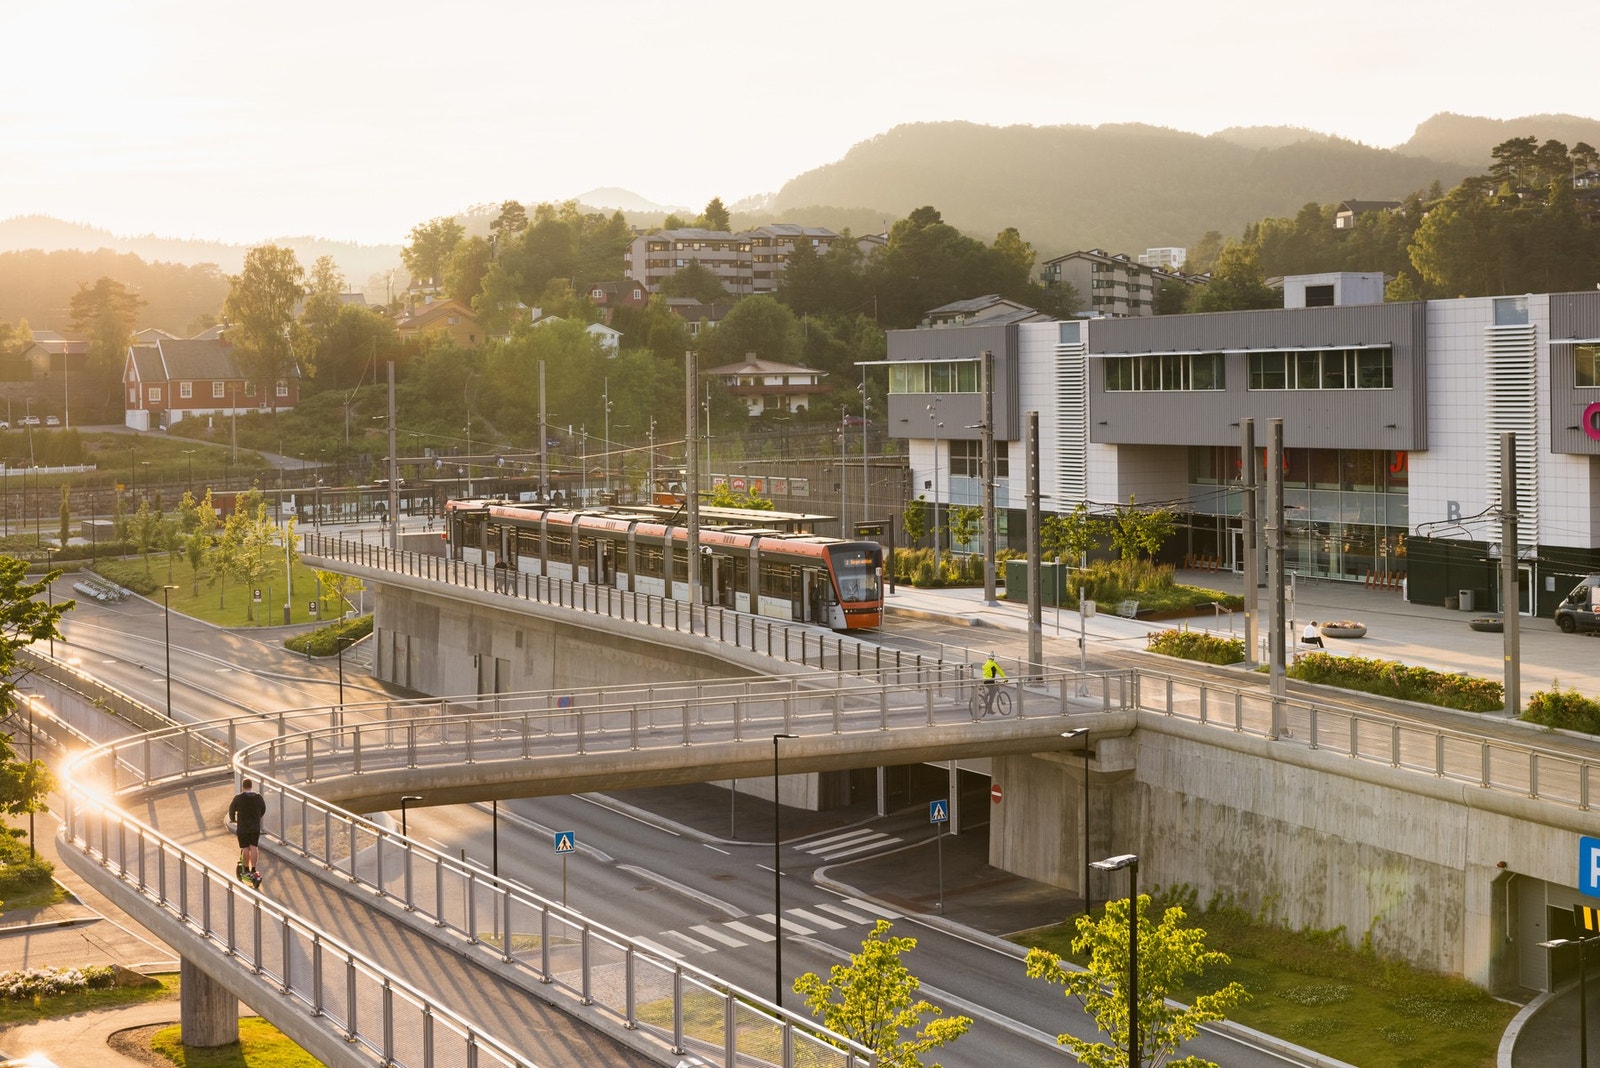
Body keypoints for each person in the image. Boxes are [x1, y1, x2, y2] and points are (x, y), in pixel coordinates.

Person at [227, 777, 267, 877]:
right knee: (254, 847)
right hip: (255, 827)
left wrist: (233, 819)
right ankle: (253, 869)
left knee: (245, 848)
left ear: (242, 787)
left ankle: (246, 869)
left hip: (243, 827)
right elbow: (263, 809)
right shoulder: (258, 797)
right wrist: (257, 817)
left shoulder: (238, 798)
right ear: (251, 786)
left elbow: (231, 810)